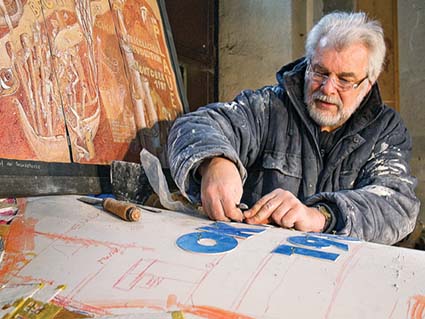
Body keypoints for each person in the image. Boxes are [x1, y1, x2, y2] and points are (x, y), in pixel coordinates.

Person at [166, 11, 420, 245]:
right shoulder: (269, 108)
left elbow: (397, 205)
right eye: (320, 72)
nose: (327, 89)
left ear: (367, 83)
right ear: (308, 63)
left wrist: (321, 216)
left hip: (340, 279)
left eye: (344, 79)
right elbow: (194, 125)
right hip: (257, 264)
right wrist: (214, 161)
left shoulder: (385, 131)